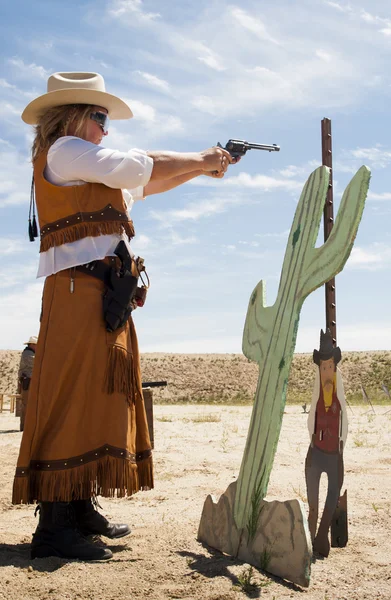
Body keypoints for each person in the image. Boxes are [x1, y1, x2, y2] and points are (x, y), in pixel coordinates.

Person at [13, 71, 237, 562]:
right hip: (79, 292)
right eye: (100, 117)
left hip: (99, 294)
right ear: (73, 116)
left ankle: (77, 505)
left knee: (96, 395)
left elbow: (147, 182)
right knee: (72, 396)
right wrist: (204, 158)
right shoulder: (64, 151)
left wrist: (202, 169)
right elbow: (142, 165)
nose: (105, 128)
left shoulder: (85, 167)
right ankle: (54, 526)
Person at [305, 329, 348, 557]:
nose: (327, 370)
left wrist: (341, 442)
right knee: (313, 496)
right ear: (320, 368)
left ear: (334, 366)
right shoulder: (318, 393)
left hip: (333, 453)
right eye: (323, 367)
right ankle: (310, 534)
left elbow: (344, 418)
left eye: (330, 366)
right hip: (317, 450)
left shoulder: (337, 391)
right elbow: (312, 414)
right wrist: (312, 438)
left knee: (333, 492)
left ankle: (322, 536)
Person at [17, 336, 38, 432]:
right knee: (26, 405)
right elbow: (36, 363)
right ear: (32, 345)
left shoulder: (30, 353)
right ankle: (24, 426)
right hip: (28, 382)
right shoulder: (28, 354)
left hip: (30, 382)